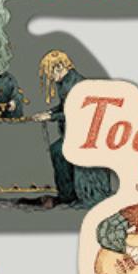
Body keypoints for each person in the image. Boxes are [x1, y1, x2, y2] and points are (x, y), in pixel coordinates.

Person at [35, 49, 115, 208]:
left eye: (50, 72)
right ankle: (66, 195)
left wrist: (51, 117)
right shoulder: (64, 83)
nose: (50, 77)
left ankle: (85, 196)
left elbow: (75, 112)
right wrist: (49, 112)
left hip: (87, 135)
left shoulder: (77, 84)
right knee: (57, 151)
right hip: (74, 133)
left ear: (59, 67)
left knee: (64, 152)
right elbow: (64, 107)